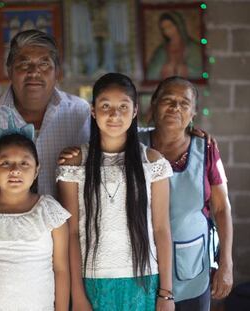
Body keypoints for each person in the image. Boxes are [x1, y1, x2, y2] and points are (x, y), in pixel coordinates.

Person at [0, 29, 90, 228]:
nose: (34, 71)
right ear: (9, 70)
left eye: (44, 63)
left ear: (57, 72)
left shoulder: (80, 113)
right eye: (24, 63)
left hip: (67, 240)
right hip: (3, 241)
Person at [57, 73, 175, 311]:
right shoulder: (75, 163)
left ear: (134, 111)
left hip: (144, 280)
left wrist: (166, 293)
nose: (114, 114)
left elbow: (161, 229)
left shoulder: (152, 162)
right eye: (105, 106)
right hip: (93, 281)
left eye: (123, 106)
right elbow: (71, 234)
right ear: (93, 111)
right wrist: (77, 296)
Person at [138, 76, 233, 310]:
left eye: (184, 103)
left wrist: (226, 264)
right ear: (154, 104)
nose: (175, 107)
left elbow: (221, 208)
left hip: (191, 269)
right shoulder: (132, 145)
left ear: (194, 113)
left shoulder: (206, 149)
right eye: (168, 100)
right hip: (142, 267)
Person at [0, 125, 71, 310]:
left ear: (36, 171)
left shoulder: (51, 213)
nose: (15, 170)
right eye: (5, 163)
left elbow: (60, 269)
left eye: (24, 163)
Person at [146, 11, 202, 80]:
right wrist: (163, 70)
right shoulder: (161, 51)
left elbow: (198, 71)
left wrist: (186, 70)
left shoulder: (193, 48)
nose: (167, 31)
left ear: (178, 26)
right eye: (164, 29)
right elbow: (151, 74)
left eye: (169, 26)